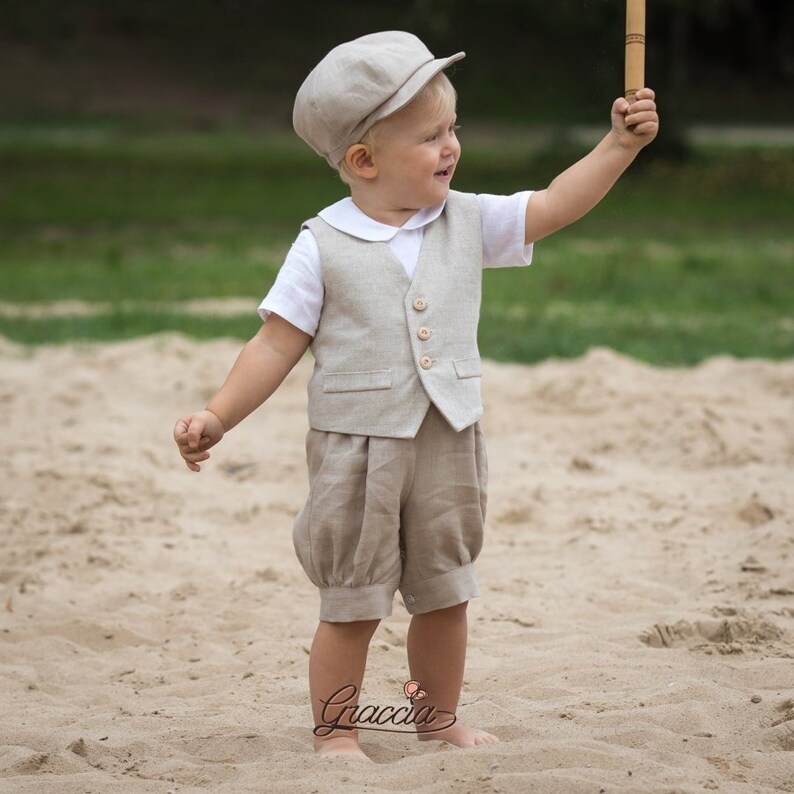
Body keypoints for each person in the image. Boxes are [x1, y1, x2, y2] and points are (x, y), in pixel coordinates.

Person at [174, 31, 659, 761]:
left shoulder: (465, 218)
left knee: (446, 591)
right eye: (430, 136)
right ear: (364, 161)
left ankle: (436, 720)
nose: (451, 146)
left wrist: (617, 147)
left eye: (452, 128)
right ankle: (337, 733)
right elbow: (274, 344)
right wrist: (217, 414)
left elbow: (554, 205)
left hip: (448, 439)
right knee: (352, 601)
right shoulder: (321, 244)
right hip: (356, 450)